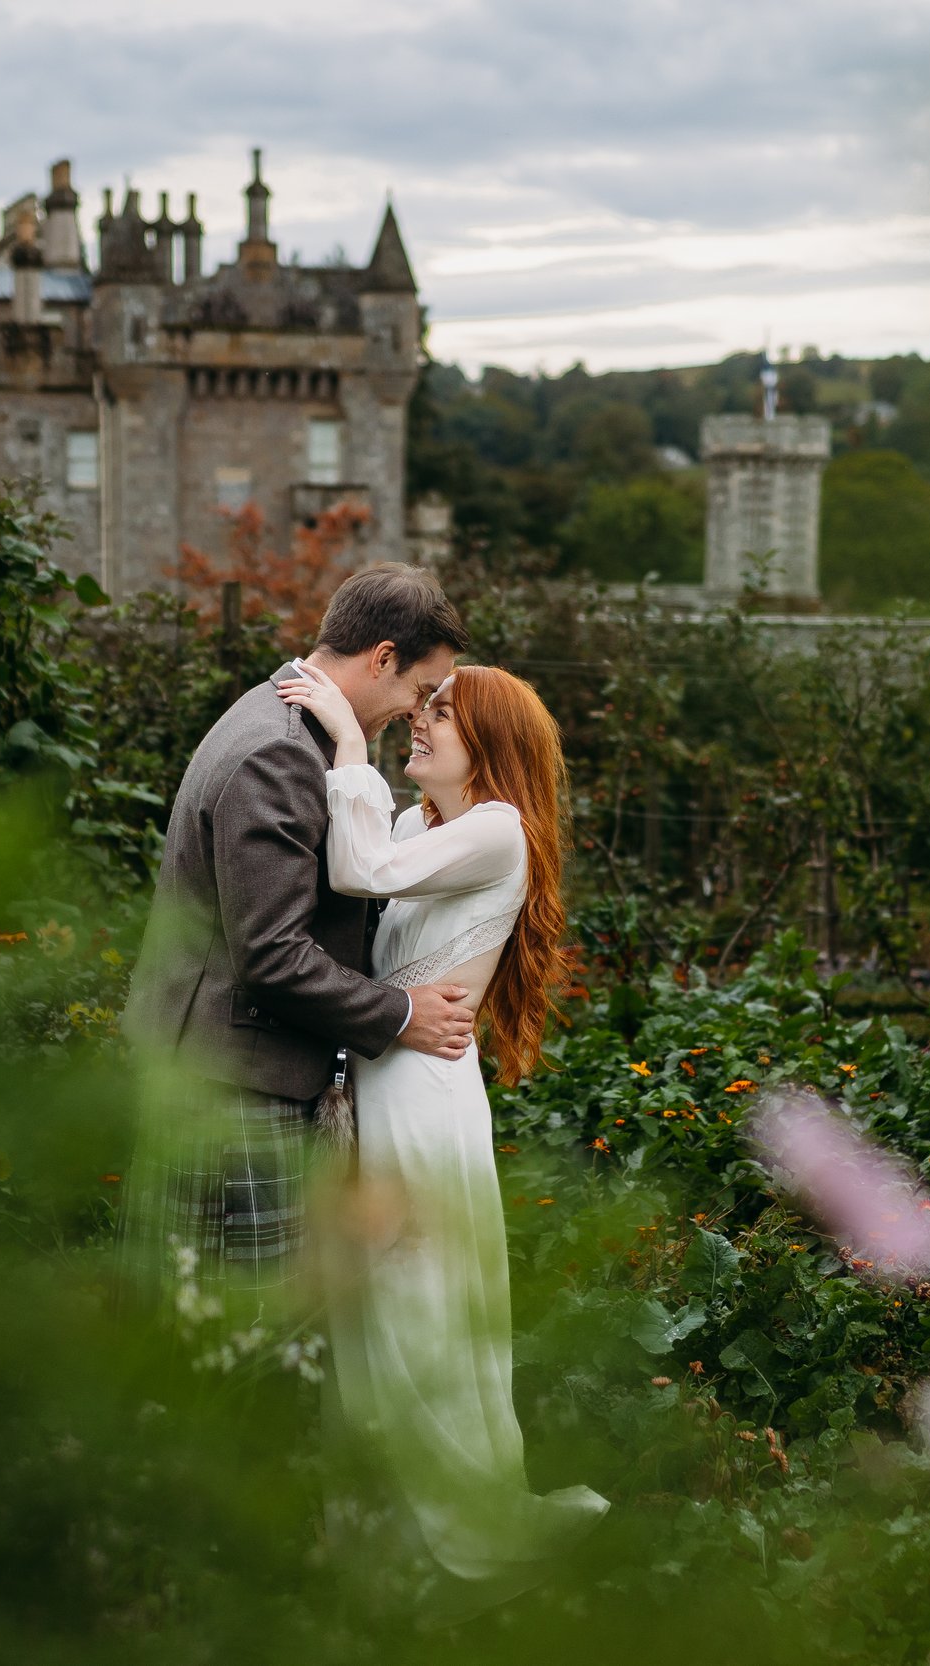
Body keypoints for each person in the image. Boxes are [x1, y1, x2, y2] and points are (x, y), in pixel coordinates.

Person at [276, 658, 609, 1592]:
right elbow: (369, 865)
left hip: (424, 1098)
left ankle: (474, 1530)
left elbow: (359, 866)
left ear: (490, 747)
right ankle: (389, 1528)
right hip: (385, 1081)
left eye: (443, 715)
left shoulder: (499, 831)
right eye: (421, 708)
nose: (421, 723)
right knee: (372, 1310)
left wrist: (350, 739)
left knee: (422, 1310)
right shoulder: (432, 822)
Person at [120, 564, 475, 1322]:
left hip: (219, 1068)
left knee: (196, 1324)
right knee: (251, 1337)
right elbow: (272, 954)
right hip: (239, 1083)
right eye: (419, 691)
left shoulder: (281, 721)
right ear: (381, 658)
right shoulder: (282, 751)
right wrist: (400, 1012)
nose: (417, 712)